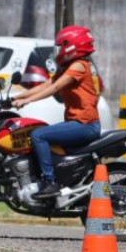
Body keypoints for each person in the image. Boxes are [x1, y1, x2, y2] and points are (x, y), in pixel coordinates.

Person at [11, 26, 101, 199]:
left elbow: (55, 88)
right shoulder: (69, 66)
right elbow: (47, 84)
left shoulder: (79, 66)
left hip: (86, 125)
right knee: (39, 134)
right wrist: (16, 97)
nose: (58, 51)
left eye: (61, 46)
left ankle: (50, 182)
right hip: (78, 123)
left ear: (72, 46)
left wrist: (26, 101)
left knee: (38, 135)